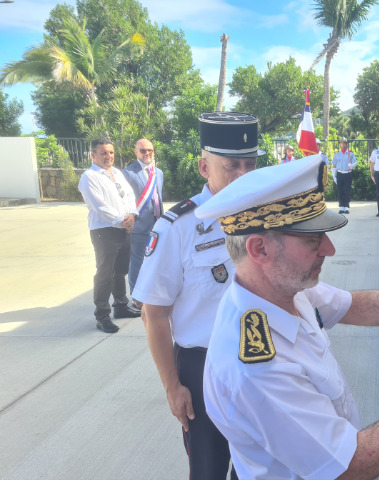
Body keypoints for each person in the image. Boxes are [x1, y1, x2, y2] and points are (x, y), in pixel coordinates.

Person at [196, 155, 379, 480]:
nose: (329, 249)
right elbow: (347, 467)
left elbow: (351, 305)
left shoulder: (281, 290)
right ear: (260, 250)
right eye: (312, 240)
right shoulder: (256, 370)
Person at [132, 112, 262, 480]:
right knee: (209, 471)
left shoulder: (265, 217)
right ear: (205, 167)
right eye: (231, 166)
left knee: (263, 467)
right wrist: (172, 386)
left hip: (262, 359)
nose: (242, 175)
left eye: (249, 165)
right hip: (204, 368)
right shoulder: (178, 227)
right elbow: (153, 313)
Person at [78, 137, 140, 333]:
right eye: (103, 153)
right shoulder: (89, 177)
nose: (108, 156)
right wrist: (122, 220)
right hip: (104, 231)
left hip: (123, 228)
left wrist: (132, 215)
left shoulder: (117, 173)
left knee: (120, 271)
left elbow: (129, 195)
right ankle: (102, 316)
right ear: (93, 155)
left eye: (111, 152)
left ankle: (120, 306)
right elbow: (100, 206)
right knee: (105, 274)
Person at [122, 138, 164, 305]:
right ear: (136, 152)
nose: (147, 153)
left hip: (158, 224)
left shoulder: (158, 172)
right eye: (143, 150)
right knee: (137, 261)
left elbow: (158, 197)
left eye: (150, 150)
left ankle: (151, 292)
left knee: (155, 260)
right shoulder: (128, 173)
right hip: (139, 225)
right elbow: (125, 200)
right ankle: (136, 297)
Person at [331, 137, 357, 215]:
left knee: (347, 190)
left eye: (344, 143)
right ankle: (341, 207)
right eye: (341, 143)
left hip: (347, 173)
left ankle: (346, 207)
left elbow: (355, 163)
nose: (343, 144)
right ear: (340, 144)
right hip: (340, 173)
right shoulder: (337, 154)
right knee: (340, 190)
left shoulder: (350, 154)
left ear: (346, 144)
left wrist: (351, 165)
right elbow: (334, 165)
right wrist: (334, 176)